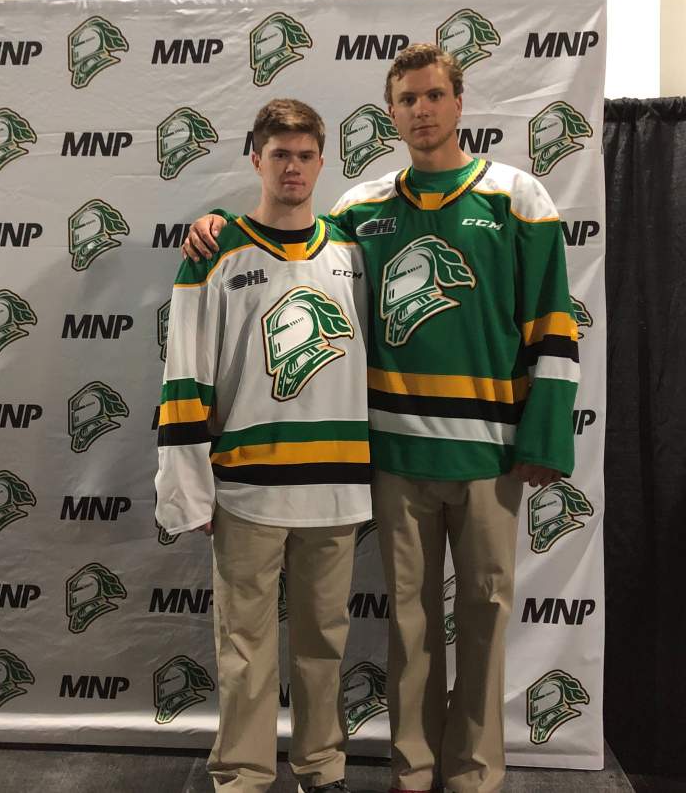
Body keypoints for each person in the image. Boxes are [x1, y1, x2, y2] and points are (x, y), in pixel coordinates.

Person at [182, 44, 580, 793]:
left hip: (491, 453)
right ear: (390, 113)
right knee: (409, 622)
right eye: (407, 99)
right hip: (394, 454)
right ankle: (414, 768)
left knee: (487, 614)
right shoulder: (359, 211)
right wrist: (215, 225)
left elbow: (553, 324)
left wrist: (547, 437)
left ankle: (475, 773)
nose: (422, 110)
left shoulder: (518, 197)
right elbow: (291, 246)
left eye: (434, 95)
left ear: (459, 103)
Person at [156, 98, 370, 793]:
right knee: (244, 648)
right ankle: (244, 775)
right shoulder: (215, 253)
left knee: (323, 643)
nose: (293, 168)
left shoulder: (353, 251)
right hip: (248, 485)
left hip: (336, 486)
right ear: (255, 158)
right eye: (280, 154)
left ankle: (321, 767)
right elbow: (185, 371)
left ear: (323, 161)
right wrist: (189, 486)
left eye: (305, 155)